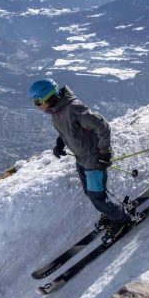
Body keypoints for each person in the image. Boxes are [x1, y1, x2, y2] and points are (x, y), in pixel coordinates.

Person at [29, 78, 132, 241]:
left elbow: (103, 127)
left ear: (49, 97)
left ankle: (122, 220)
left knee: (96, 195)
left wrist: (105, 153)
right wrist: (59, 144)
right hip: (81, 159)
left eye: (37, 102)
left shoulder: (74, 108)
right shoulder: (56, 112)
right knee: (91, 193)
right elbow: (68, 130)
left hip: (94, 160)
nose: (36, 106)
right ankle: (113, 210)